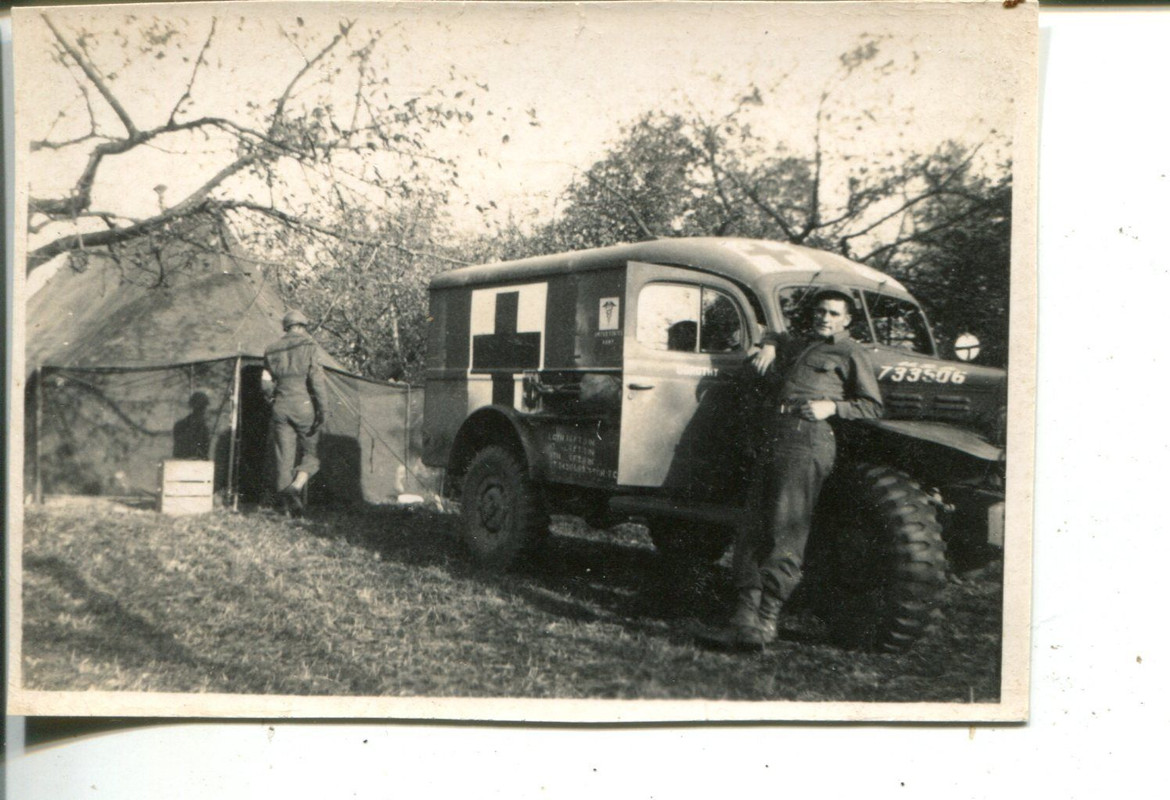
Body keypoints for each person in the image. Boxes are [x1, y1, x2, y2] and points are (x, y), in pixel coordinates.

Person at [712, 285, 883, 650]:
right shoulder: (799, 343)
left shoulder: (851, 352)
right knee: (753, 526)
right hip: (774, 436)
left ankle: (767, 619)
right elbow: (775, 335)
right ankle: (743, 617)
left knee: (786, 528)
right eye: (821, 311)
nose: (825, 317)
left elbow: (872, 406)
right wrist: (771, 343)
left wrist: (833, 408)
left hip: (808, 439)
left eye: (834, 313)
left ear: (848, 320)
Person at [262, 309, 328, 516]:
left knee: (283, 457)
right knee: (312, 454)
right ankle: (295, 488)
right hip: (303, 405)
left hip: (280, 405)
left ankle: (284, 508)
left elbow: (265, 382)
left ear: (286, 327)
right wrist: (322, 409)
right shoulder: (309, 346)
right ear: (302, 327)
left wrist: (273, 397)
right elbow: (317, 381)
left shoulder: (271, 349)